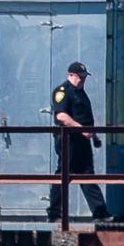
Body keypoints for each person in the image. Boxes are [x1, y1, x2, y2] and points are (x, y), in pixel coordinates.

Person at [48, 61, 111, 223]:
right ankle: (54, 213)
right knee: (63, 173)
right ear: (71, 75)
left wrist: (93, 136)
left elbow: (85, 117)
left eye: (84, 77)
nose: (82, 80)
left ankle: (100, 212)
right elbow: (61, 116)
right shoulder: (63, 91)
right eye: (79, 77)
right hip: (69, 138)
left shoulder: (80, 92)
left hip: (82, 140)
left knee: (87, 174)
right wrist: (80, 128)